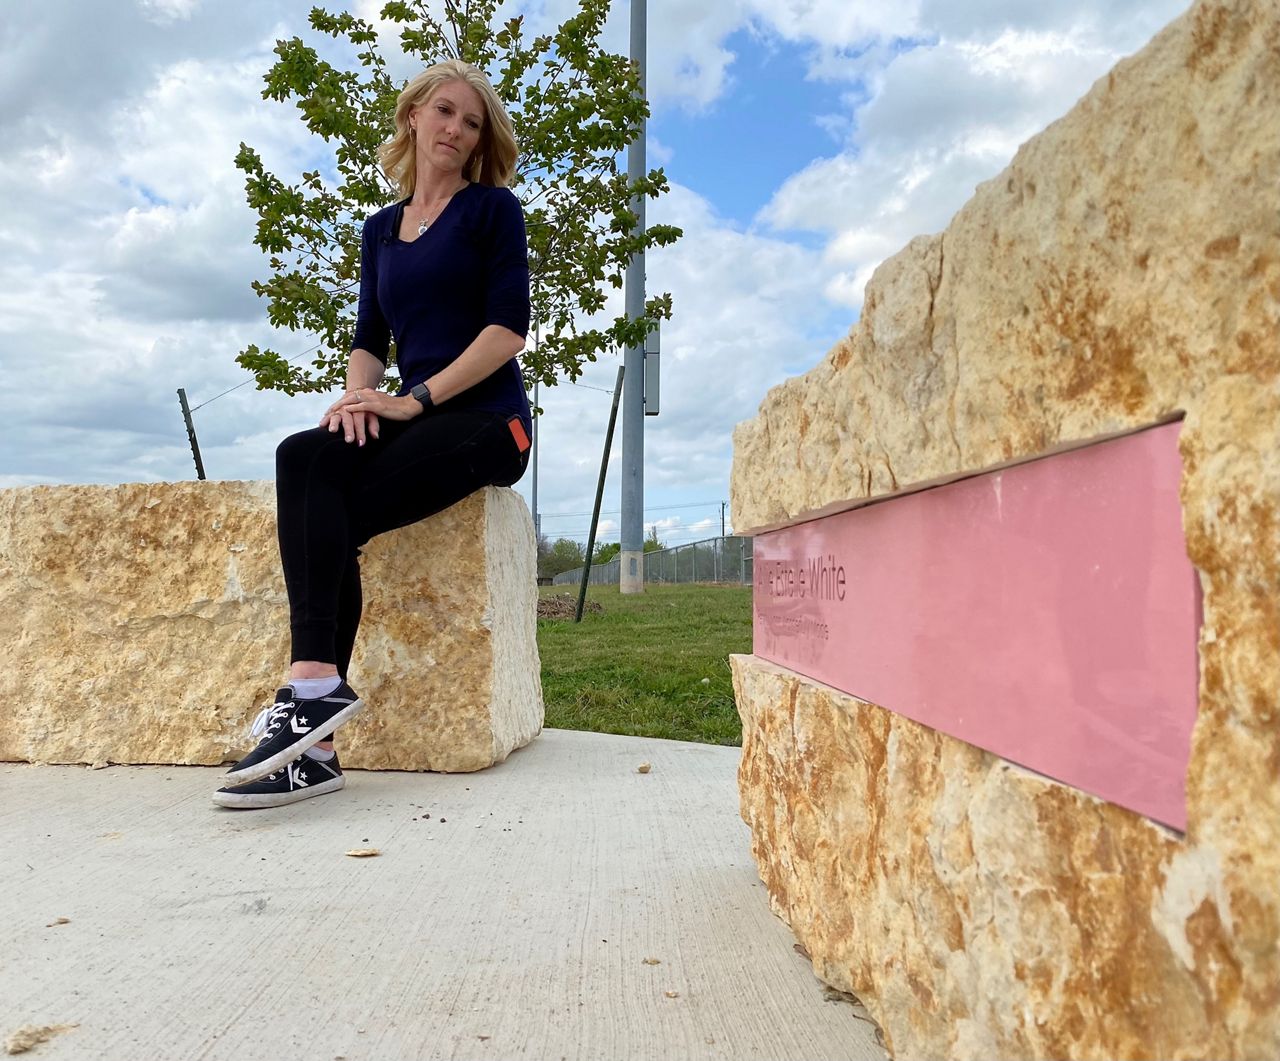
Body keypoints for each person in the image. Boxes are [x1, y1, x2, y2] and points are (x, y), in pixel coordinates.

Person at [213, 59, 532, 809]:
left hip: (489, 423)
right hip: (412, 414)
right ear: (414, 117)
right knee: (307, 455)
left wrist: (412, 399)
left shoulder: (494, 211)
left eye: (472, 121)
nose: (456, 128)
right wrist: (359, 396)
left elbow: (506, 331)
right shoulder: (380, 230)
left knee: (333, 507)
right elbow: (369, 335)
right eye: (445, 111)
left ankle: (313, 723)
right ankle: (315, 715)